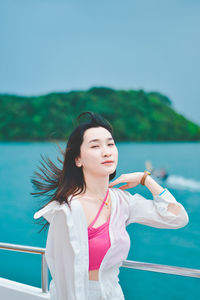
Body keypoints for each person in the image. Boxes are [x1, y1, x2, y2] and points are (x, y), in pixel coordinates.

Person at [32, 111, 189, 300]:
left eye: (110, 144)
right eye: (95, 146)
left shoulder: (122, 201)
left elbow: (178, 219)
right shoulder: (66, 210)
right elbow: (63, 278)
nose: (106, 151)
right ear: (78, 159)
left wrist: (145, 179)